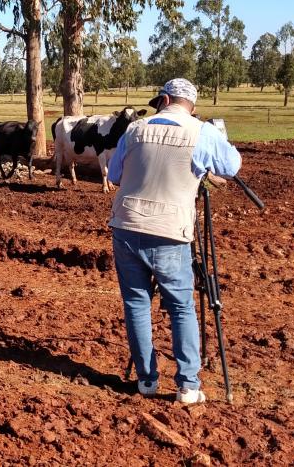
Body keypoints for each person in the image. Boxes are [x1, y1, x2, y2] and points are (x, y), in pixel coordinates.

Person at [107, 78, 241, 405]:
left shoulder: (136, 129)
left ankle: (147, 380)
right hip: (170, 232)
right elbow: (232, 166)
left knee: (137, 304)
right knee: (181, 308)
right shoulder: (202, 132)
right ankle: (187, 386)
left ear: (165, 99)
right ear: (190, 106)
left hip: (126, 225)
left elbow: (113, 175)